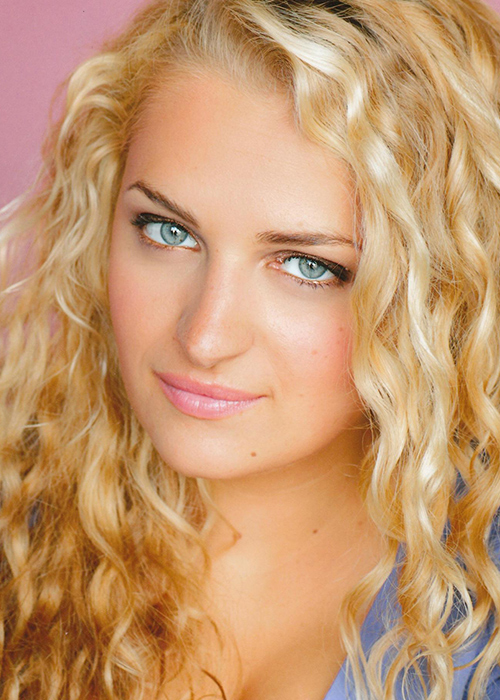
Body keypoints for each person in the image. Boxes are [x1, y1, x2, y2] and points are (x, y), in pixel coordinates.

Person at [1, 0, 500, 698]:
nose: (203, 338)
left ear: (441, 289)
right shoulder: (17, 521)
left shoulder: (484, 616)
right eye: (168, 231)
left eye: (308, 266)